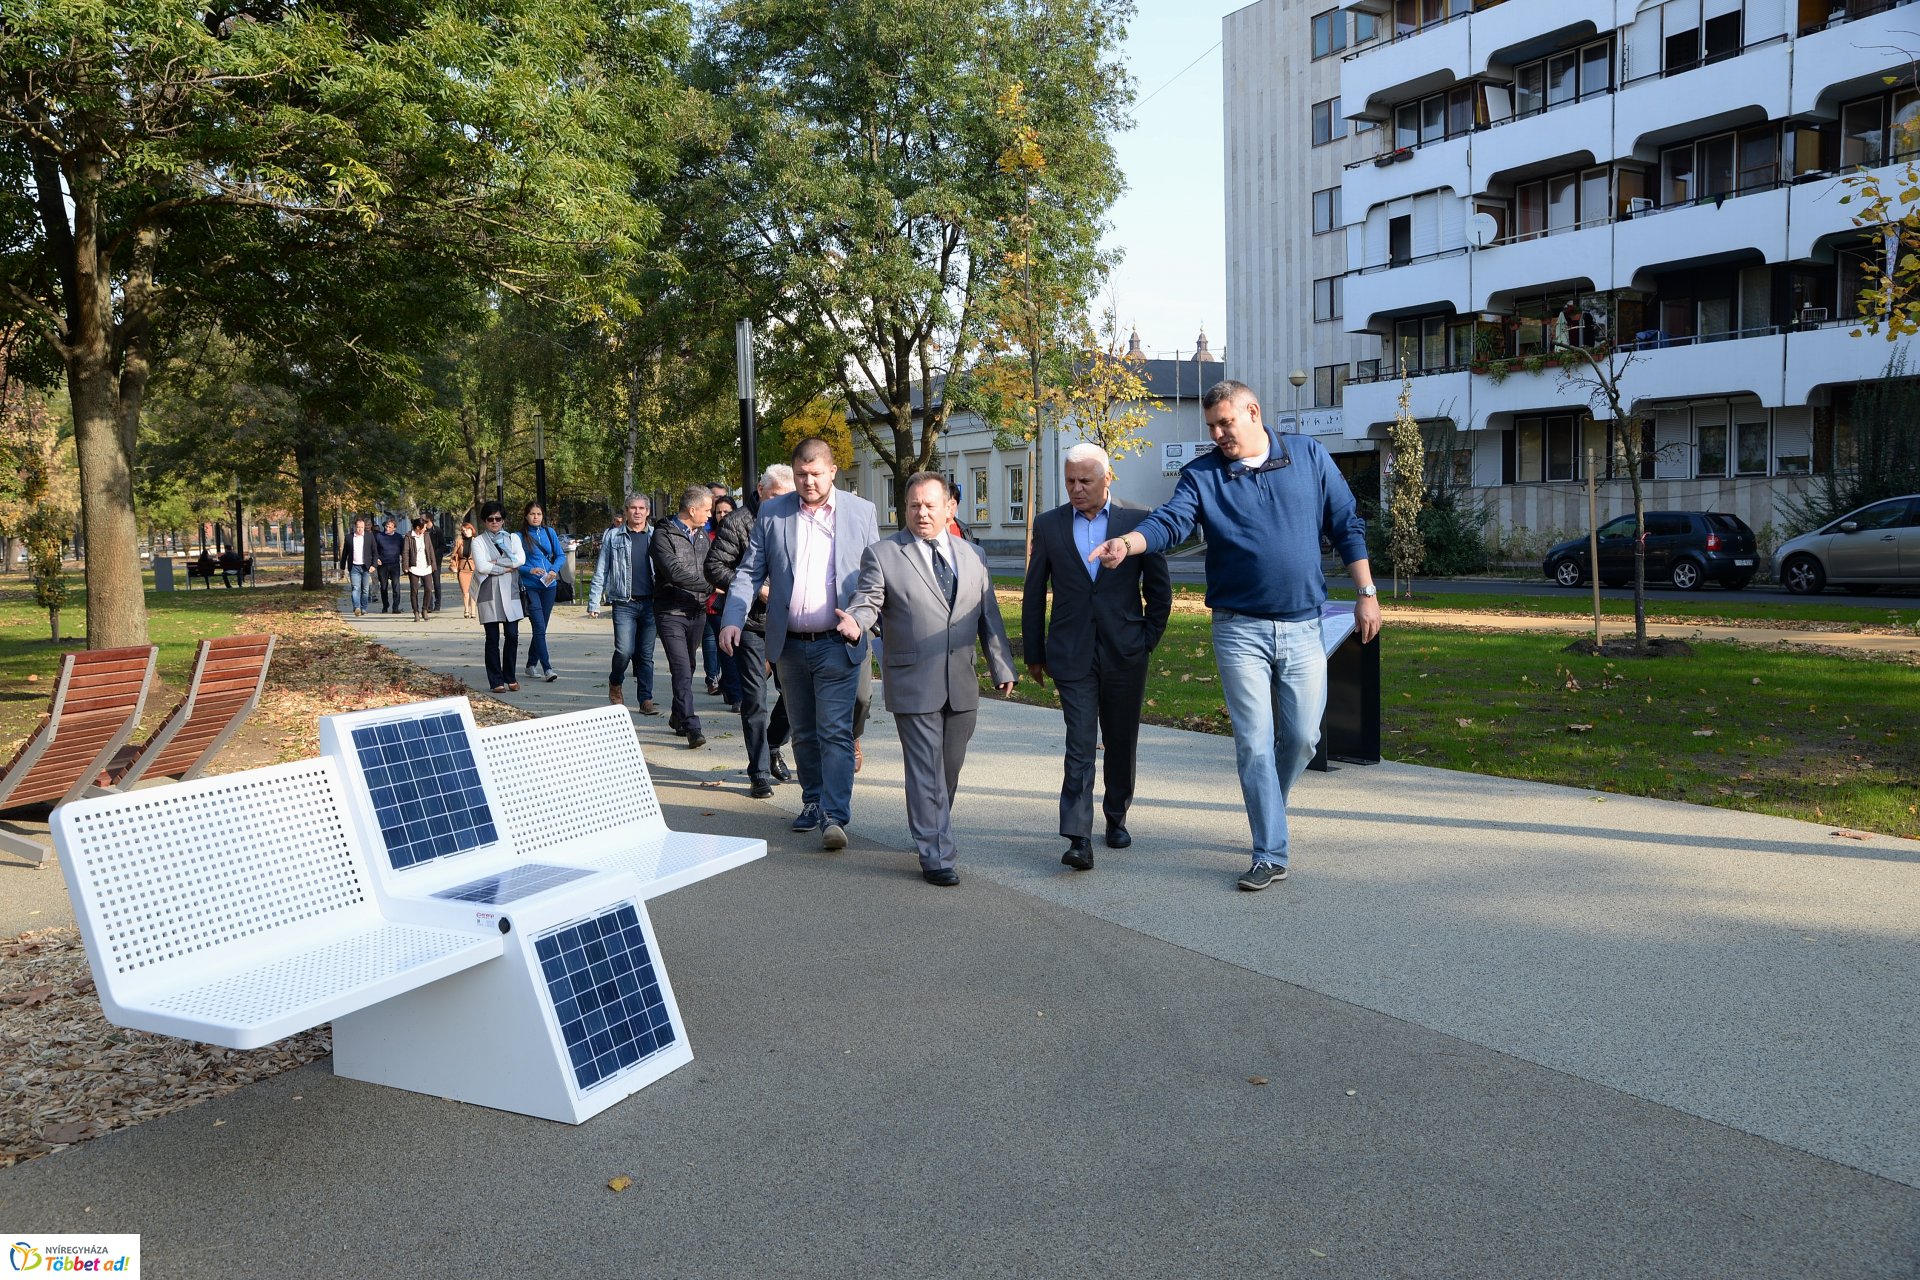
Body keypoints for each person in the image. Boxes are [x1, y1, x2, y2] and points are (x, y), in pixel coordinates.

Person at [1089, 380, 1381, 892]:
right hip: (1238, 629)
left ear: (1253, 412)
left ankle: (1271, 807)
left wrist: (1366, 591)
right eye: (1212, 427)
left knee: (1304, 738)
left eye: (1226, 423)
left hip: (1303, 625)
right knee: (1254, 743)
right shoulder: (1203, 475)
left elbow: (1346, 522)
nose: (1219, 434)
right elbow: (1172, 523)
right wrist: (1130, 544)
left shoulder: (1307, 455)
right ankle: (1269, 852)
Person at [835, 472, 1017, 886]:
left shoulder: (973, 555)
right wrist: (857, 623)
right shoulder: (883, 554)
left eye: (930, 505)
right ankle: (936, 853)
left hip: (961, 682)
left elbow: (987, 614)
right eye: (913, 505)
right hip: (913, 679)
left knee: (948, 769)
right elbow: (868, 600)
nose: (921, 513)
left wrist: (1002, 665)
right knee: (926, 771)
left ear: (950, 507)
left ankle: (932, 826)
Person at [720, 437, 881, 852]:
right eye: (800, 475)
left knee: (834, 731)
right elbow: (748, 572)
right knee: (805, 732)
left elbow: (872, 576)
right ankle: (813, 801)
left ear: (832, 471)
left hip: (837, 641)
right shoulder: (774, 512)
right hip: (789, 643)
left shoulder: (861, 512)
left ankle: (835, 814)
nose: (808, 482)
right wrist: (733, 618)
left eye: (815, 474)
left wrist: (862, 620)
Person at [1022, 442, 1172, 871]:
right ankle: (1077, 837)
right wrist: (1035, 651)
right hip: (1071, 653)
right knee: (1080, 742)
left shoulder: (1139, 522)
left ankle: (1117, 813)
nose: (1076, 488)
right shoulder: (1050, 525)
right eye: (1069, 480)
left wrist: (1147, 640)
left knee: (1121, 740)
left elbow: (1159, 591)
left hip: (1126, 651)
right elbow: (1034, 594)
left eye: (1085, 480)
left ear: (1108, 478)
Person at [708, 465, 796, 797]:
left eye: (788, 497)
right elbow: (714, 567)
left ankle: (773, 744)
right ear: (760, 491)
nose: (782, 502)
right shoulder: (739, 521)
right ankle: (758, 771)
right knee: (755, 699)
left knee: (793, 694)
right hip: (751, 623)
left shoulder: (798, 518)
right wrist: (755, 588)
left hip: (790, 623)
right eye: (775, 496)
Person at [651, 486, 714, 750]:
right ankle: (691, 725)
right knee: (681, 668)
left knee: (688, 666)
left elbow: (712, 565)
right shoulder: (663, 535)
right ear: (692, 509)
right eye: (707, 509)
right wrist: (710, 586)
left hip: (697, 611)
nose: (710, 515)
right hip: (671, 612)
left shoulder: (702, 537)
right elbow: (674, 572)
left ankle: (677, 716)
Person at [588, 495, 660, 715]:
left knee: (646, 655)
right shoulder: (613, 536)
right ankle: (615, 681)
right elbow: (601, 569)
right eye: (632, 508)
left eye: (641, 508)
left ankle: (645, 699)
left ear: (647, 511)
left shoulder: (656, 535)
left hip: (650, 603)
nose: (637, 512)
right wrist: (594, 601)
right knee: (624, 651)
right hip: (624, 603)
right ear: (626, 511)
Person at [469, 501, 526, 693]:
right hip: (488, 592)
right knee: (492, 638)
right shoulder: (478, 541)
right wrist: (508, 566)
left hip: (511, 592)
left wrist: (496, 563)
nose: (494, 522)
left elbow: (520, 560)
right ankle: (496, 680)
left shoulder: (513, 538)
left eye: (498, 518)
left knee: (512, 635)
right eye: (490, 519)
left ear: (503, 520)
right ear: (484, 521)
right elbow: (482, 567)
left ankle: (510, 676)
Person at [704, 495, 742, 707]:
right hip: (715, 602)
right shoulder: (708, 537)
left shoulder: (743, 533)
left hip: (738, 600)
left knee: (738, 648)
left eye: (727, 511)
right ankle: (736, 695)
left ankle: (731, 687)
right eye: (719, 512)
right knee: (727, 649)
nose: (722, 515)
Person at [519, 502, 564, 682]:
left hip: (549, 586)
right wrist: (529, 570)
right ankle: (547, 668)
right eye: (532, 514)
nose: (536, 517)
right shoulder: (519, 536)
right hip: (530, 586)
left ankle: (531, 664)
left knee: (541, 628)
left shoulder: (549, 532)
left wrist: (553, 570)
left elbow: (560, 555)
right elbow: (513, 562)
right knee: (538, 626)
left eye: (539, 514)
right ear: (526, 516)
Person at [338, 518, 377, 615]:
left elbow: (375, 552)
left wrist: (373, 565)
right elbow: (344, 554)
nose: (360, 529)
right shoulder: (349, 537)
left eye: (362, 527)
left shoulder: (369, 536)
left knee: (365, 589)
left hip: (365, 566)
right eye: (358, 527)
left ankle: (364, 608)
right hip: (354, 566)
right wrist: (342, 568)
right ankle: (357, 607)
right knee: (355, 588)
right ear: (355, 527)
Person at [403, 517, 437, 621]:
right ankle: (416, 612)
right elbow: (405, 552)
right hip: (414, 567)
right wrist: (405, 566)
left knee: (428, 588)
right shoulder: (409, 537)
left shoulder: (426, 536)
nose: (425, 530)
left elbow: (430, 549)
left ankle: (424, 609)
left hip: (426, 566)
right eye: (424, 528)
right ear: (418, 527)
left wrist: (433, 565)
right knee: (414, 590)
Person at [373, 516, 404, 614]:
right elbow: (374, 550)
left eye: (390, 527)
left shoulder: (398, 537)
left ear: (394, 528)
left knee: (396, 586)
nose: (387, 528)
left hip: (394, 564)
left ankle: (395, 607)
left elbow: (403, 551)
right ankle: (385, 606)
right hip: (383, 565)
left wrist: (405, 562)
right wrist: (376, 559)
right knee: (383, 586)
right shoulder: (379, 536)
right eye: (386, 526)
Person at [452, 520, 478, 619]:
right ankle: (466, 609)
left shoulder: (477, 541)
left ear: (472, 530)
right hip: (462, 569)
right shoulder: (459, 542)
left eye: (467, 530)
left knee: (473, 591)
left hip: (474, 569)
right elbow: (454, 555)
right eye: (463, 530)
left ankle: (473, 611)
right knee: (465, 591)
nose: (466, 532)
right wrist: (454, 566)